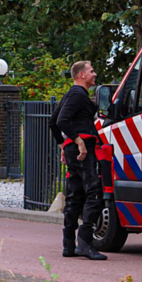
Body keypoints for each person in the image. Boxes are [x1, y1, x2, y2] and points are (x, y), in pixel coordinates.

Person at [49, 60, 108, 261]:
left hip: (75, 150)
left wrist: (63, 146)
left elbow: (53, 122)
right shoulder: (77, 94)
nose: (95, 74)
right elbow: (61, 121)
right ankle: (85, 243)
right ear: (81, 75)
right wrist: (78, 141)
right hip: (84, 150)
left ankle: (68, 244)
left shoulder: (72, 94)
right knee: (94, 191)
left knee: (75, 195)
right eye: (91, 71)